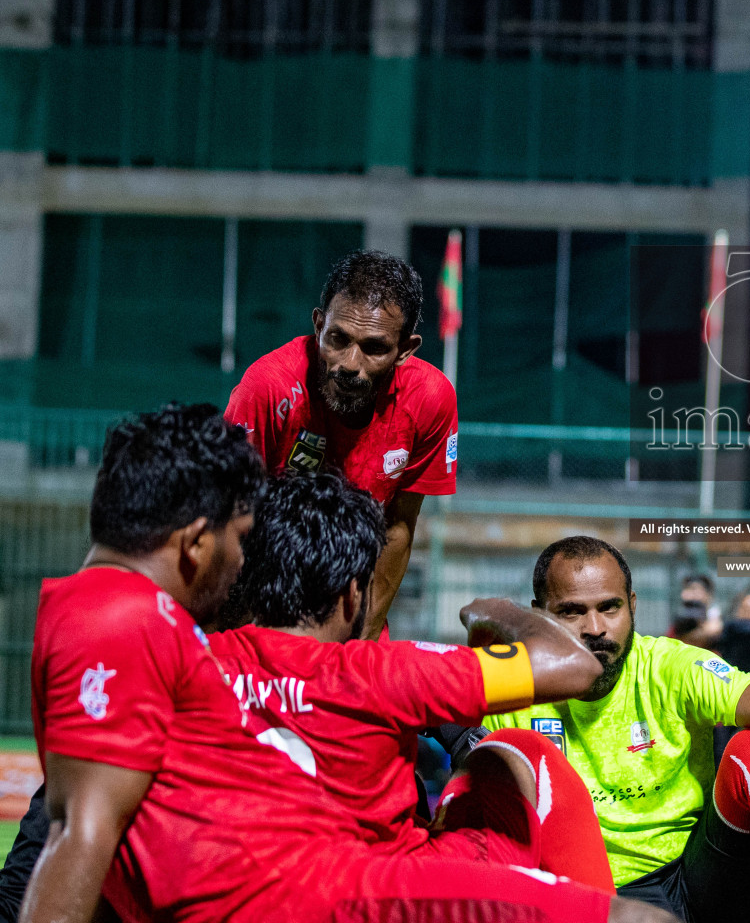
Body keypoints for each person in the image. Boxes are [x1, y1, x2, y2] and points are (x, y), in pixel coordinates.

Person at [20, 404, 668, 923]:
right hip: (328, 889)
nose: (240, 563)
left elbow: (90, 821)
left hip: (315, 874)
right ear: (194, 543)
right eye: (238, 540)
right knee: (523, 761)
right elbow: (82, 829)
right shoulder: (123, 620)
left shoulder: (165, 638)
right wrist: (491, 611)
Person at [206, 469, 614, 891]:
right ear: (352, 593)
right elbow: (577, 665)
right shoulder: (383, 670)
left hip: (239, 888)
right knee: (515, 751)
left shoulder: (195, 662)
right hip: (382, 893)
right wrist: (494, 611)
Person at [485, 537, 750, 923]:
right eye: (572, 612)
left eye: (609, 607)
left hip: (698, 878)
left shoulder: (668, 666)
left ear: (631, 604)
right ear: (540, 615)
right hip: (588, 895)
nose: (595, 627)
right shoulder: (511, 687)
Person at [225, 250, 457, 639]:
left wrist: (361, 645)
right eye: (338, 339)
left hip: (350, 610)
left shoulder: (430, 399)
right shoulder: (268, 388)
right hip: (257, 607)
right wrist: (247, 641)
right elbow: (228, 522)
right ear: (319, 326)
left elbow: (398, 526)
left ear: (405, 349)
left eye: (374, 348)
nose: (350, 363)